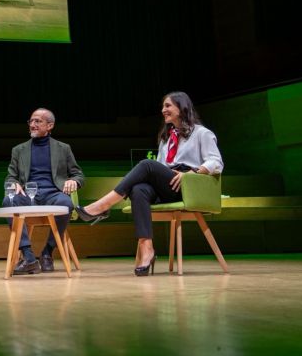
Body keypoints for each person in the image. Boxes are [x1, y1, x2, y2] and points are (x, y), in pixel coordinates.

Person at [75, 91, 224, 276]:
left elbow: (216, 162)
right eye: (163, 106)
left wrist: (192, 173)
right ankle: (147, 249)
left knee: (147, 164)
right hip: (168, 185)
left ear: (182, 107)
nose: (163, 110)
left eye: (168, 106)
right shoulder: (167, 138)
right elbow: (161, 168)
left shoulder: (202, 133)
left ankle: (104, 204)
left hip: (188, 186)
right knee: (139, 189)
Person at [3, 108, 84, 274]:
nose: (32, 125)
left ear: (50, 125)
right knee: (9, 201)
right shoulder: (18, 150)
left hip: (53, 193)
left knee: (66, 203)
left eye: (37, 121)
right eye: (31, 121)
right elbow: (11, 177)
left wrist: (73, 180)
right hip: (29, 195)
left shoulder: (63, 148)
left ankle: (47, 252)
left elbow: (78, 174)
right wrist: (13, 184)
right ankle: (29, 257)